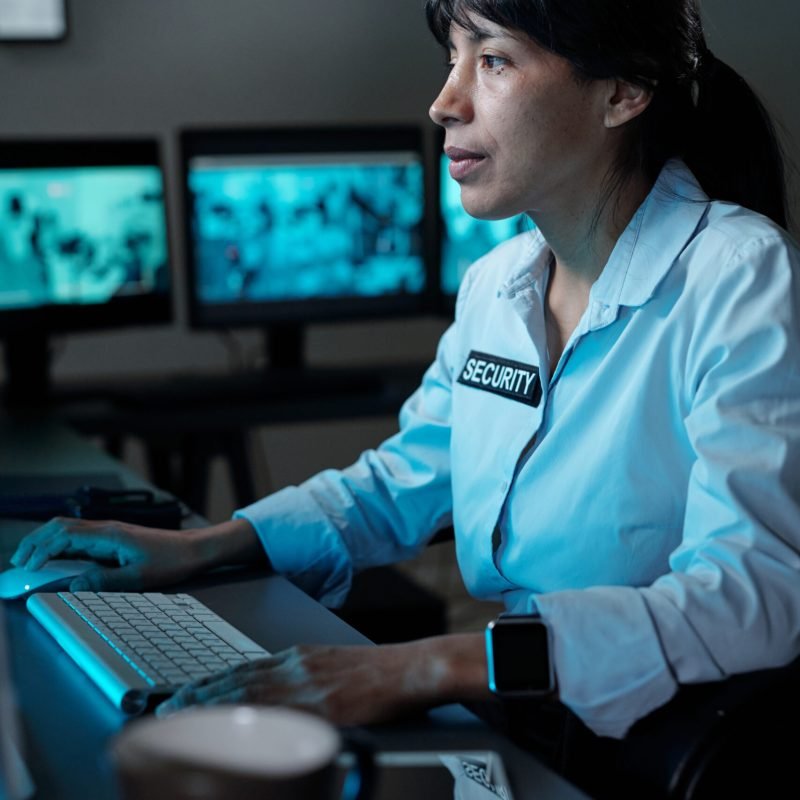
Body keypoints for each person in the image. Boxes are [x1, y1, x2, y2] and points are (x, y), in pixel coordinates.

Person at [11, 0, 800, 783]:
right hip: (517, 700)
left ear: (622, 92)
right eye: (450, 58)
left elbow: (753, 595)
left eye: (491, 60)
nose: (444, 102)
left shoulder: (738, 274)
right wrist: (204, 545)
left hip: (641, 736)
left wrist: (419, 668)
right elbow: (405, 479)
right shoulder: (500, 283)